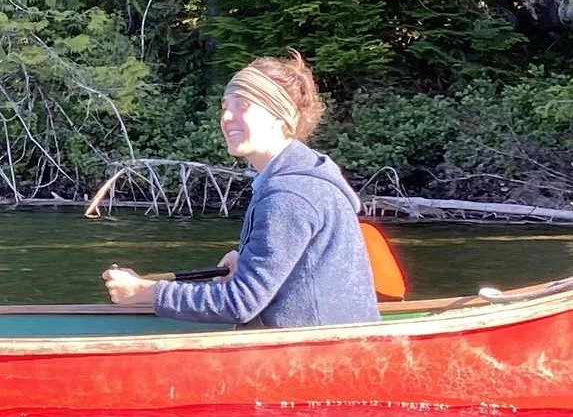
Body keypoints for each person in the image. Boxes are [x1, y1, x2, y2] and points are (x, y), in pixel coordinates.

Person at [103, 53, 379, 329]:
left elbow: (240, 303)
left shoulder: (290, 195)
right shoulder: (298, 180)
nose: (226, 117)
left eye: (243, 106)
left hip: (315, 358)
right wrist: (246, 263)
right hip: (331, 348)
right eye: (224, 106)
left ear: (281, 118)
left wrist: (144, 292)